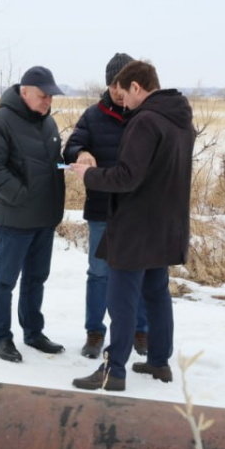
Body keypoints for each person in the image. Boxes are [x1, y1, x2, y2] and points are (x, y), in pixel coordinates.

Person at [66, 60, 194, 391]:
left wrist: (88, 175)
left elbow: (127, 176)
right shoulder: (179, 119)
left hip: (136, 227)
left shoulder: (146, 121)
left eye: (124, 94)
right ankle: (159, 362)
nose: (123, 102)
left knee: (121, 298)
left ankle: (114, 370)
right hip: (166, 224)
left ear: (136, 87)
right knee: (156, 293)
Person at [63, 52, 151, 360]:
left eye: (122, 83)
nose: (117, 89)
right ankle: (94, 332)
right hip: (102, 208)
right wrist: (82, 151)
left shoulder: (145, 115)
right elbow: (69, 147)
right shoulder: (93, 115)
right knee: (99, 272)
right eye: (113, 83)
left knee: (137, 272)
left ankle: (141, 332)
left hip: (137, 210)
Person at [0, 65, 67, 363]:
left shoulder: (49, 124)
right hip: (15, 219)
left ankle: (33, 332)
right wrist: (22, 196)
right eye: (44, 96)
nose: (48, 102)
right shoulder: (0, 122)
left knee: (36, 278)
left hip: (45, 218)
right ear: (25, 91)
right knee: (5, 280)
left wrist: (75, 166)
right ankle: (1, 338)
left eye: (51, 97)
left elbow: (52, 165)